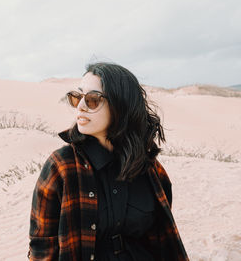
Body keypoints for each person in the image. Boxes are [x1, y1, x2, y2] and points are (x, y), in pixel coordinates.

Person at [28, 62, 189, 261]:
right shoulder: (61, 166)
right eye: (77, 97)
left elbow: (161, 239)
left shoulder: (150, 170)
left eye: (93, 99)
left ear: (120, 106)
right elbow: (42, 249)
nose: (81, 106)